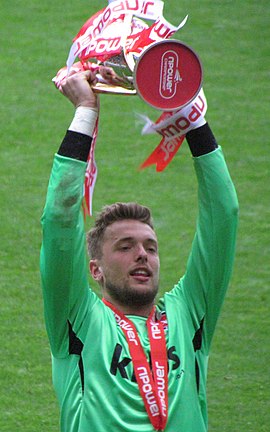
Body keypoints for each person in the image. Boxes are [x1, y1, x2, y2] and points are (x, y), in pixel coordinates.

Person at [40, 69, 239, 432]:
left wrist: (190, 114)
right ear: (95, 269)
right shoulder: (80, 320)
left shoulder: (188, 314)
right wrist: (85, 109)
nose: (142, 254)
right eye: (125, 247)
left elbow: (222, 217)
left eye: (150, 246)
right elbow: (59, 219)